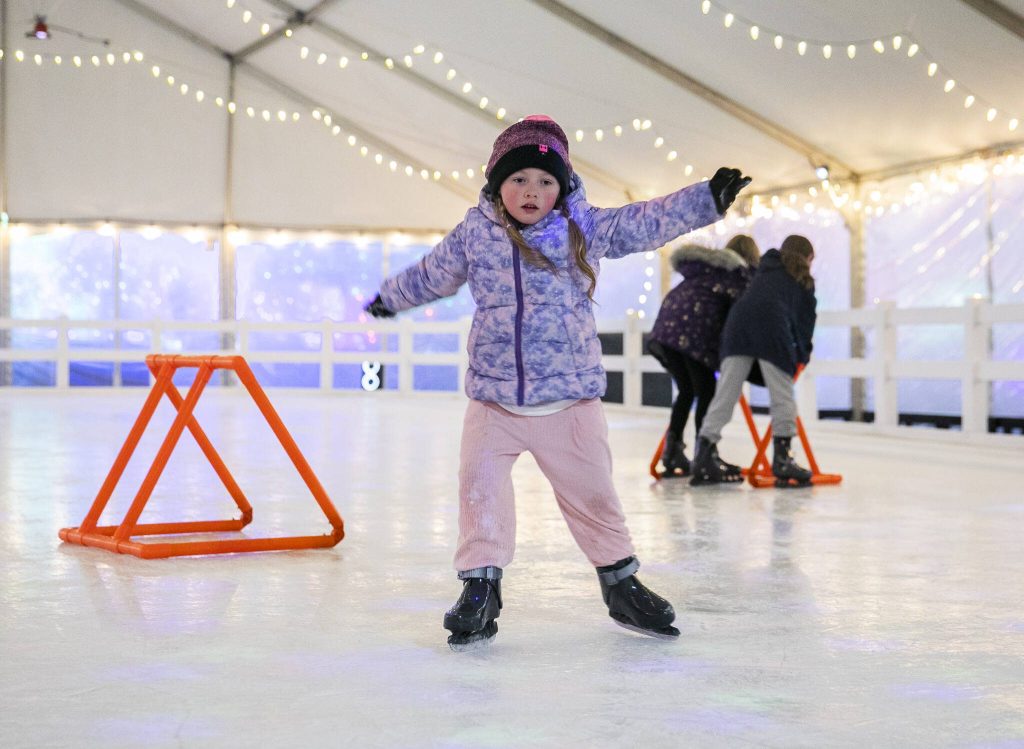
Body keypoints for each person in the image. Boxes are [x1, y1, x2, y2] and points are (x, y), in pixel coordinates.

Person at [364, 115, 750, 649]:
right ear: (498, 182)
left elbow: (642, 222)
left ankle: (621, 584)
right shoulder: (476, 231)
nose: (532, 191)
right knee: (480, 494)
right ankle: (480, 589)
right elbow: (434, 272)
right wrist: (391, 296)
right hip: (495, 401)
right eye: (519, 178)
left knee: (595, 497)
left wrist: (705, 199)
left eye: (546, 181)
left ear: (562, 187)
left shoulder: (581, 227)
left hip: (570, 400)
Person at [690, 234, 817, 488]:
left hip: (737, 330)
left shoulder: (764, 270)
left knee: (725, 394)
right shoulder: (802, 280)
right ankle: (783, 459)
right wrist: (802, 355)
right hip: (773, 333)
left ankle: (703, 454)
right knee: (783, 396)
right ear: (807, 257)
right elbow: (804, 324)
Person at [647, 234, 761, 478]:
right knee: (707, 390)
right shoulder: (738, 276)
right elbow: (740, 315)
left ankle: (673, 451)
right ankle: (704, 456)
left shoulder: (708, 270)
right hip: (693, 334)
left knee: (688, 390)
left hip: (666, 330)